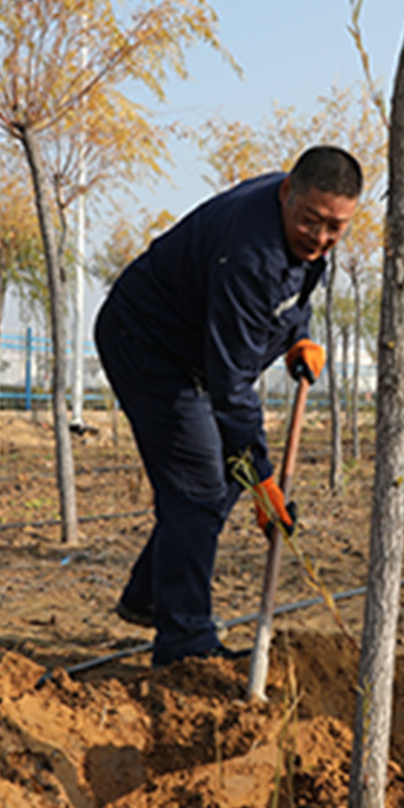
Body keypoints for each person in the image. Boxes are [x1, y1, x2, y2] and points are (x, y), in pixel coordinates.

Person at [97, 146, 360, 666]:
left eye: (336, 227)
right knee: (197, 488)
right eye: (311, 222)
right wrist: (263, 479)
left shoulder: (298, 228)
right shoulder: (249, 258)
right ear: (287, 191)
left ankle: (151, 595)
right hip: (147, 346)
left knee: (214, 482)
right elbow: (232, 389)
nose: (322, 238)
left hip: (191, 354)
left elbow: (296, 289)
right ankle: (185, 646)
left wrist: (298, 336)